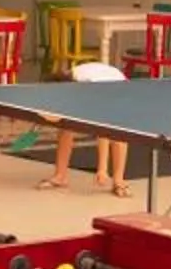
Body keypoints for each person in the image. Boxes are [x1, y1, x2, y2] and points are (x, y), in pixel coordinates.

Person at [38, 59, 132, 199]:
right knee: (66, 126)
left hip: (118, 86)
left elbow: (103, 129)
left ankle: (118, 181)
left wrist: (102, 169)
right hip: (98, 81)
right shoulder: (68, 77)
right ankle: (60, 176)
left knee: (117, 132)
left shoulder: (90, 89)